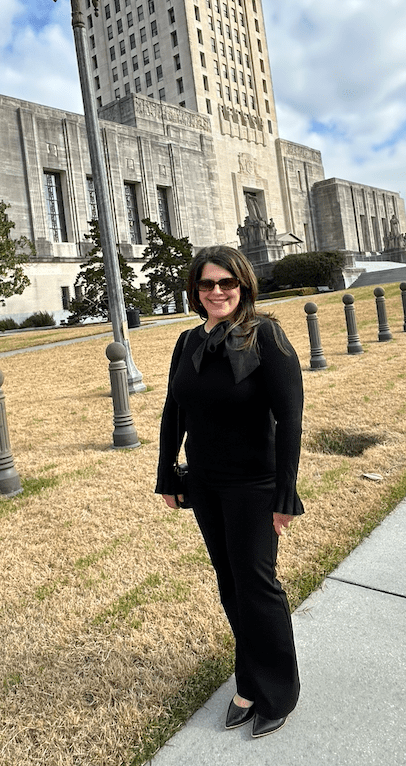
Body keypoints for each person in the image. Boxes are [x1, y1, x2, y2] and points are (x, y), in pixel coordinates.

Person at [155, 245, 304, 739]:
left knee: (258, 586)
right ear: (195, 291)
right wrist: (166, 475)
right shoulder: (187, 342)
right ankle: (248, 680)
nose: (216, 292)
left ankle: (277, 691)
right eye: (206, 284)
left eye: (226, 283)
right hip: (206, 481)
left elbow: (290, 418)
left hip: (254, 484)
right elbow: (174, 411)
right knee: (229, 582)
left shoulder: (267, 336)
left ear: (243, 285)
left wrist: (286, 492)